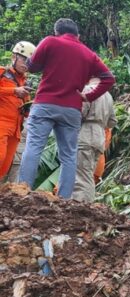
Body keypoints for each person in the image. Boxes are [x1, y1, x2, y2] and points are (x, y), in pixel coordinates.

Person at [18, 18, 115, 199]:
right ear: (77, 35)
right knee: (69, 156)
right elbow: (109, 78)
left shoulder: (50, 42)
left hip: (45, 104)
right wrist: (89, 96)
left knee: (33, 147)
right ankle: (64, 199)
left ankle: (23, 191)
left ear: (57, 32)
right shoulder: (88, 54)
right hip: (71, 109)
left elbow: (32, 67)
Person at [72, 78, 115, 202]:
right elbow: (112, 122)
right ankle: (87, 204)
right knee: (88, 174)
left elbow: (80, 113)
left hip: (86, 134)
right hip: (99, 137)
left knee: (81, 175)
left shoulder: (87, 90)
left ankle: (82, 205)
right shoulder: (108, 95)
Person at [0, 41, 35, 181]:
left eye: (29, 61)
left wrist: (28, 106)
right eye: (24, 59)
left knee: (5, 166)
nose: (26, 64)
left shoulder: (25, 82)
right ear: (14, 57)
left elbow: (25, 109)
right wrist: (13, 91)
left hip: (16, 129)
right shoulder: (2, 73)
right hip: (2, 124)